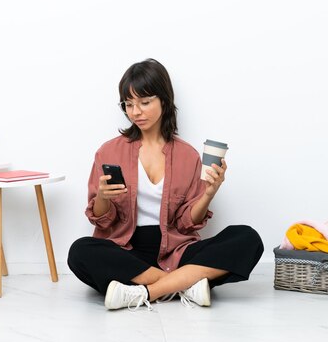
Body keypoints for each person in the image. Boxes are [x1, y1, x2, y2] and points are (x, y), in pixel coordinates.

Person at [68, 58, 264, 310]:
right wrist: (104, 197)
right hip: (125, 250)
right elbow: (101, 221)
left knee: (247, 238)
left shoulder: (187, 155)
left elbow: (186, 222)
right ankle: (186, 285)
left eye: (144, 102)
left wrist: (209, 194)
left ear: (164, 100)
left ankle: (142, 293)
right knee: (80, 251)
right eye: (128, 104)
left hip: (176, 250)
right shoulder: (109, 151)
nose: (135, 112)